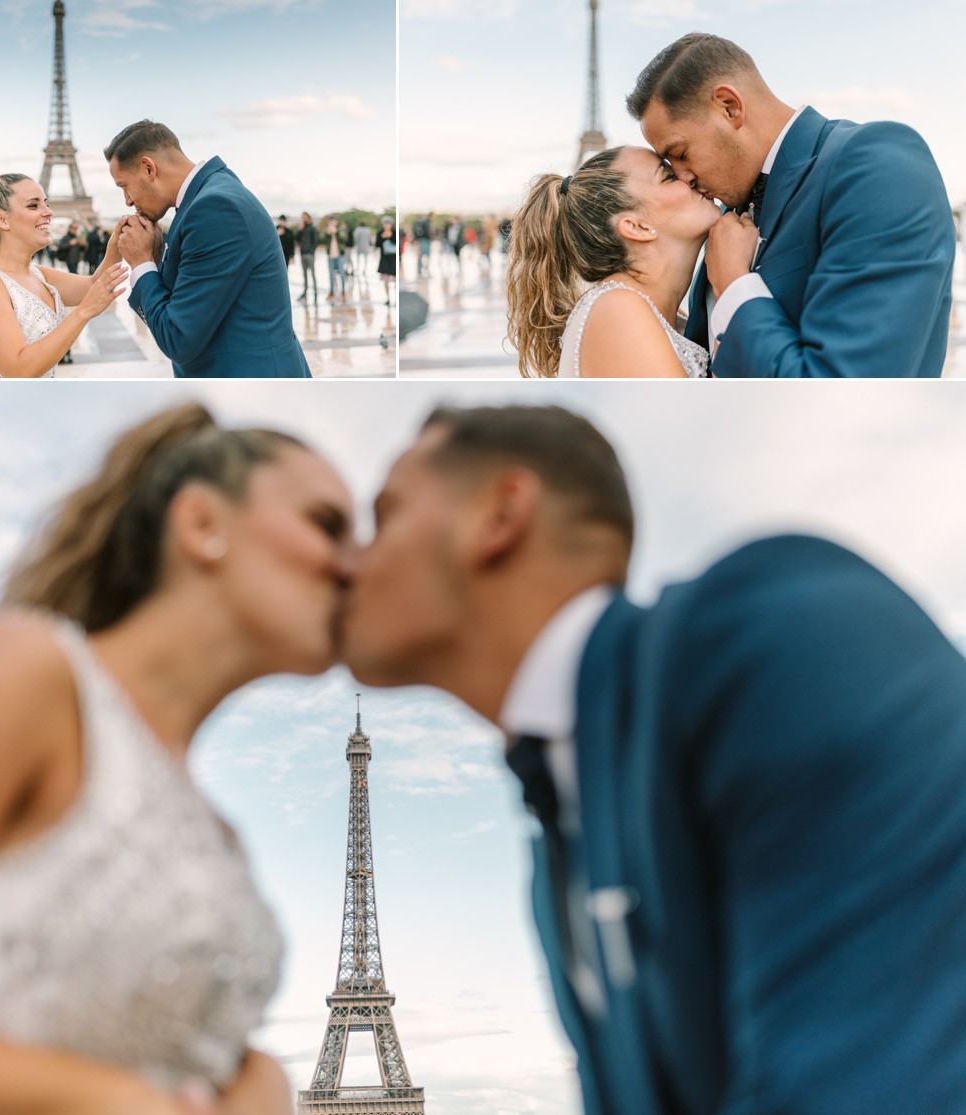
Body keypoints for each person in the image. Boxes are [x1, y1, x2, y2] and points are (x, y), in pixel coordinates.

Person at [341, 403, 966, 1115]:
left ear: (500, 515)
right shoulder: (562, 832)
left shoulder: (784, 635)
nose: (347, 561)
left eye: (384, 516)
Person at [0, 401, 355, 1115]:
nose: (353, 565)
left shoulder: (216, 830)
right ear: (201, 524)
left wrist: (253, 1078)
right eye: (326, 524)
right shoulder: (27, 670)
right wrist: (105, 1098)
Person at [628, 32, 956, 378]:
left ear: (729, 106)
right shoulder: (724, 220)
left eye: (680, 154)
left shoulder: (877, 165)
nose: (683, 178)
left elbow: (845, 387)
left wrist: (734, 283)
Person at [106, 120, 311, 379]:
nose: (127, 200)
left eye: (124, 185)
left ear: (149, 168)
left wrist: (141, 264)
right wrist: (155, 258)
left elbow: (177, 338)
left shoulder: (213, 209)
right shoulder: (210, 195)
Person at [506, 148, 717, 378]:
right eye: (667, 177)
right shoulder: (619, 311)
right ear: (637, 227)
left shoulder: (637, 308)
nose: (688, 176)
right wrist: (732, 283)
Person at [0, 170, 128, 378]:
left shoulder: (38, 275)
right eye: (33, 205)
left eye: (46, 203)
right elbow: (18, 370)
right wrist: (83, 312)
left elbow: (96, 284)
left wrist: (116, 244)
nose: (49, 212)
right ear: (2, 220)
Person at [296, 212, 319, 305]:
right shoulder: (302, 229)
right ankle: (305, 293)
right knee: (304, 274)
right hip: (302, 254)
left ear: (308, 218)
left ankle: (315, 292)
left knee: (312, 274)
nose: (303, 219)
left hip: (309, 254)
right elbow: (296, 238)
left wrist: (311, 252)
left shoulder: (312, 228)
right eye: (302, 217)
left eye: (304, 217)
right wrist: (299, 229)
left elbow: (315, 241)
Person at [375, 217, 397, 307]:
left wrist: (391, 236)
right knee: (385, 280)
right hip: (384, 259)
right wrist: (382, 237)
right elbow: (377, 244)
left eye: (389, 224)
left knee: (395, 280)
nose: (387, 226)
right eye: (385, 224)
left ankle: (396, 298)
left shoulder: (394, 233)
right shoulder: (380, 233)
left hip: (394, 259)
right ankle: (388, 298)